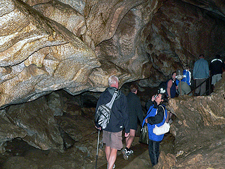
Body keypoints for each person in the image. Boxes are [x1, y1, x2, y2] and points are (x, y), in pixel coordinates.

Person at [94, 75, 130, 169]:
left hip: (105, 125)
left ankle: (110, 164)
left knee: (108, 145)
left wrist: (98, 124)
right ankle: (110, 167)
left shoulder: (103, 95)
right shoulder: (121, 96)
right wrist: (127, 128)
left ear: (110, 84)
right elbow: (125, 113)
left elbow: (98, 110)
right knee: (114, 148)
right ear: (117, 84)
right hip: (117, 126)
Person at [142, 93, 168, 167]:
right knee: (152, 150)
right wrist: (151, 100)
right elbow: (148, 107)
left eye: (158, 97)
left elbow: (158, 119)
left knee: (154, 151)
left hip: (155, 133)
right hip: (152, 133)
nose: (156, 97)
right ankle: (155, 164)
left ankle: (156, 165)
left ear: (162, 100)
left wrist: (149, 120)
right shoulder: (156, 106)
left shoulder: (161, 108)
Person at [122, 83, 143, 160]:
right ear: (136, 90)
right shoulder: (136, 98)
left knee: (127, 134)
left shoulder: (126, 97)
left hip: (125, 118)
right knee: (132, 135)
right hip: (132, 118)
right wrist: (142, 121)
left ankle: (127, 148)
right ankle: (127, 148)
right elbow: (139, 111)